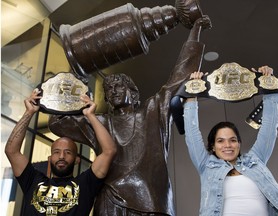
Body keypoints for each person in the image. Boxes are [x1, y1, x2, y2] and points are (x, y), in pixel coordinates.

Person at [48, 15, 212, 215]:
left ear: (133, 93)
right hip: (110, 202)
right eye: (109, 90)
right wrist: (79, 69)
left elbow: (180, 75)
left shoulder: (153, 111)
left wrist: (195, 31)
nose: (114, 91)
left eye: (119, 87)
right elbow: (57, 122)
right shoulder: (100, 122)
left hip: (150, 201)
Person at [183, 66, 278, 216]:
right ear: (212, 147)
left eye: (232, 140)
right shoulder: (206, 165)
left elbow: (269, 128)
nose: (227, 145)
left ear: (239, 143)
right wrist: (192, 93)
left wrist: (269, 86)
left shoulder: (256, 159)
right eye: (220, 141)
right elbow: (191, 134)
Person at [4, 89, 117, 216]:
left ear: (77, 160)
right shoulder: (32, 180)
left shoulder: (85, 184)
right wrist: (29, 112)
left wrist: (90, 115)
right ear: (50, 157)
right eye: (56, 152)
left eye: (68, 152)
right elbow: (11, 151)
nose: (61, 156)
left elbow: (109, 150)